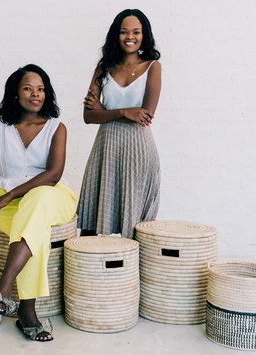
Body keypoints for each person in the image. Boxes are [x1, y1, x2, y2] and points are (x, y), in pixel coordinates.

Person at [0, 64, 77, 342]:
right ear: (15, 93)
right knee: (32, 228)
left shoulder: (56, 128)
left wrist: (10, 195)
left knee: (37, 200)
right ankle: (27, 312)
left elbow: (52, 175)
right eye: (28, 88)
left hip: (52, 197)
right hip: (9, 204)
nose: (35, 94)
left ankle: (4, 286)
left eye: (41, 89)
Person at [77, 9, 161, 239]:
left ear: (144, 35)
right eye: (124, 32)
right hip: (106, 147)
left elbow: (145, 115)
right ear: (116, 34)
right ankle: (85, 267)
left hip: (138, 148)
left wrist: (104, 111)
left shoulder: (153, 67)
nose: (129, 37)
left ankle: (130, 273)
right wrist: (124, 111)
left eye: (136, 32)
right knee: (92, 216)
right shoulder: (103, 68)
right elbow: (88, 116)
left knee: (134, 224)